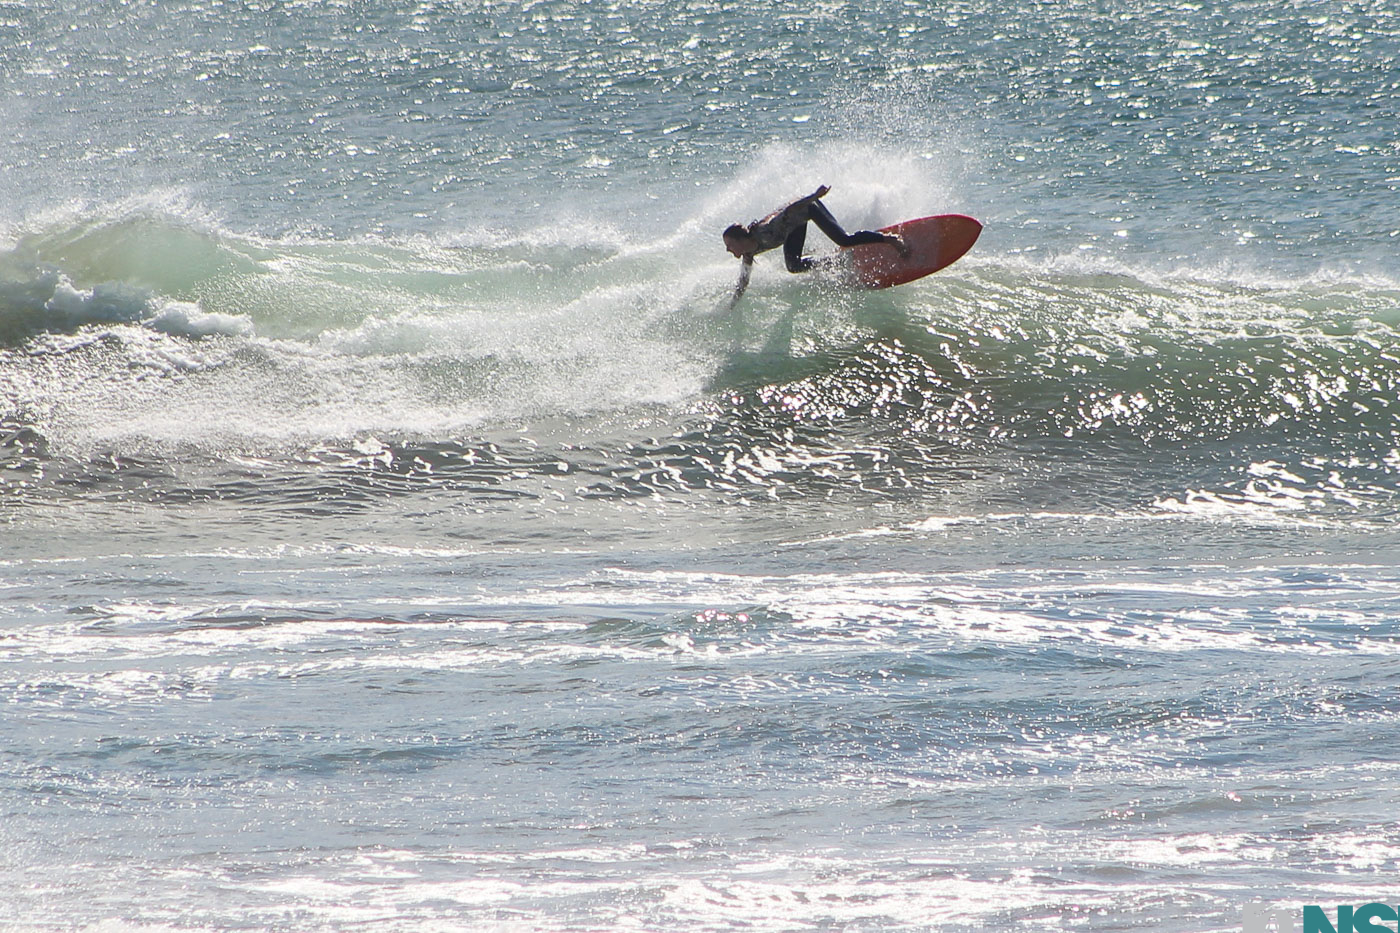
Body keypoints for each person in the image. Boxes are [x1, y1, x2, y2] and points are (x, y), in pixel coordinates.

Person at [722, 185, 907, 305]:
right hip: (794, 226)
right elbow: (743, 281)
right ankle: (836, 260)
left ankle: (891, 239)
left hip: (808, 208)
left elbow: (789, 210)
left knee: (843, 240)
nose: (728, 250)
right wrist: (732, 304)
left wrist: (814, 196)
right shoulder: (749, 252)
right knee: (793, 266)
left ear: (740, 239)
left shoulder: (765, 230)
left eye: (730, 245)